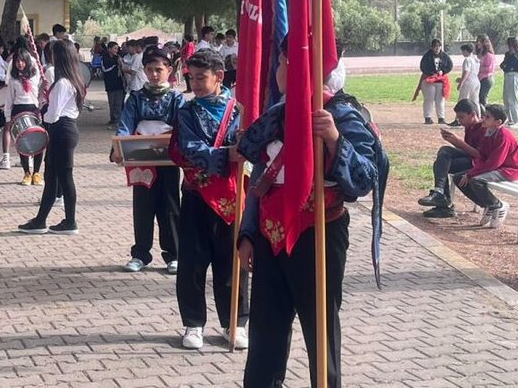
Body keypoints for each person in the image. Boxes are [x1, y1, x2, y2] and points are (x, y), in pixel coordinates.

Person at [237, 38, 380, 388]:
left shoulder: (343, 114)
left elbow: (365, 177)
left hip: (318, 234)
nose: (278, 71)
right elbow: (259, 174)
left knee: (320, 330)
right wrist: (247, 233)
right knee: (265, 331)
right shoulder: (277, 114)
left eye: (284, 63)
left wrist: (333, 138)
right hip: (270, 236)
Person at [167, 49, 247, 350]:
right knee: (192, 262)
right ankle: (193, 323)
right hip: (196, 195)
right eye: (192, 77)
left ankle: (235, 323)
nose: (196, 84)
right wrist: (227, 154)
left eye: (202, 77)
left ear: (219, 77)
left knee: (232, 261)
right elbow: (187, 148)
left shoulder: (240, 111)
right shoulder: (186, 112)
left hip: (231, 197)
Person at [113, 48, 184, 274]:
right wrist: (119, 149)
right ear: (144, 71)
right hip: (141, 161)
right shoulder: (135, 98)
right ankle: (140, 254)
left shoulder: (176, 98)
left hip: (168, 161)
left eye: (159, 70)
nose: (154, 74)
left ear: (169, 71)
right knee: (142, 207)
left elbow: (183, 128)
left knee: (170, 207)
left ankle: (173, 254)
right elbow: (125, 125)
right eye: (150, 70)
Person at [17, 40, 85, 235]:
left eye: (53, 54)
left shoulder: (63, 83)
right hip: (64, 130)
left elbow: (53, 114)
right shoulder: (72, 80)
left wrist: (43, 109)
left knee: (63, 177)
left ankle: (70, 221)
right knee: (52, 177)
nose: (50, 57)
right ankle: (41, 220)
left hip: (61, 129)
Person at [454, 104, 518, 228]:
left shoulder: (504, 136)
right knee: (458, 178)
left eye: (487, 117)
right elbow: (482, 156)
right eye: (484, 115)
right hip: (495, 168)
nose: (483, 118)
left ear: (498, 122)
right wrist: (471, 172)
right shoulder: (488, 132)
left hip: (508, 170)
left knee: (476, 180)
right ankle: (489, 205)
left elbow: (495, 162)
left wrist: (471, 173)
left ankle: (498, 205)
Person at [417, 99, 483, 218]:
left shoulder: (482, 128)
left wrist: (457, 142)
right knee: (443, 155)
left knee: (440, 163)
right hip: (471, 158)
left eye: (462, 118)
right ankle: (440, 194)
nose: (460, 121)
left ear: (473, 114)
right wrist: (452, 141)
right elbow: (467, 150)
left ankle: (442, 198)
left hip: (479, 163)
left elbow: (479, 155)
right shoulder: (470, 126)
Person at [3, 49, 45, 186]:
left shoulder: (35, 75)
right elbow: (9, 99)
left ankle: (37, 173)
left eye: (22, 60)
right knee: (22, 142)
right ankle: (27, 173)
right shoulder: (13, 79)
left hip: (33, 109)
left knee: (39, 140)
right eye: (17, 61)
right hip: (18, 109)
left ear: (27, 61)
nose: (20, 64)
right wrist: (8, 117)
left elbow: (42, 86)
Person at [414, 39, 453, 124]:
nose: (437, 48)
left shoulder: (445, 56)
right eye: (435, 46)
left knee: (440, 100)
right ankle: (428, 117)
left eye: (439, 46)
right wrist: (431, 73)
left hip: (440, 81)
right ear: (432, 47)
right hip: (429, 80)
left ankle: (441, 117)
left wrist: (443, 71)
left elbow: (450, 66)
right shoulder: (426, 56)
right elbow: (423, 67)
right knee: (429, 99)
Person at [501, 36, 518, 128]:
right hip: (507, 75)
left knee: (513, 99)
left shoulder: (517, 54)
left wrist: (507, 66)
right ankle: (510, 119)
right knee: (506, 98)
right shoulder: (508, 54)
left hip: (514, 76)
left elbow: (514, 66)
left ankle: (517, 121)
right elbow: (503, 65)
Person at [452, 43, 480, 124]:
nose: (462, 53)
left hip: (468, 82)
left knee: (462, 100)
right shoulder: (476, 59)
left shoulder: (467, 59)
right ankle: (478, 118)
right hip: (476, 81)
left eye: (463, 51)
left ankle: (457, 119)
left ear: (466, 51)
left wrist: (461, 82)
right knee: (475, 101)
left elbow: (466, 72)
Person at [102, 41, 125, 126]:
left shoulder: (118, 57)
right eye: (114, 48)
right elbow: (105, 69)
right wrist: (115, 65)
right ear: (109, 49)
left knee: (118, 103)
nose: (116, 50)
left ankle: (117, 120)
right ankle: (113, 119)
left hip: (119, 84)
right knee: (112, 103)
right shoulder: (104, 58)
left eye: (117, 48)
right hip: (110, 84)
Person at [476, 34, 495, 109]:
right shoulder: (479, 54)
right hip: (479, 78)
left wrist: (478, 67)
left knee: (482, 98)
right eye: (478, 41)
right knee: (478, 98)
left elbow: (489, 69)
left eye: (481, 41)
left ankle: (486, 114)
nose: (478, 43)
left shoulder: (489, 55)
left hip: (486, 79)